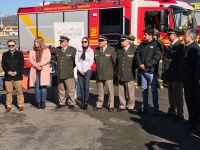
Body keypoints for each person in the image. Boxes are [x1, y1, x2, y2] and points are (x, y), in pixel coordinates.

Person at [135, 29, 161, 115]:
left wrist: (146, 65)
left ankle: (156, 109)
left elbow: (157, 57)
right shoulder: (142, 44)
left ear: (150, 35)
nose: (144, 36)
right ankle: (144, 108)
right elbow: (137, 54)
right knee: (144, 90)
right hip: (143, 72)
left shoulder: (156, 44)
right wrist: (140, 64)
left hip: (151, 72)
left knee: (154, 91)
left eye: (145, 35)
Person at [162, 30, 184, 121]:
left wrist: (167, 60)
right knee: (171, 94)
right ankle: (172, 110)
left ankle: (180, 114)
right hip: (170, 74)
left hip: (177, 75)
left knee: (178, 95)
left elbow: (180, 62)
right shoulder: (172, 45)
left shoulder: (180, 46)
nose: (168, 36)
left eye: (169, 35)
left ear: (174, 35)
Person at [94, 35, 117, 112]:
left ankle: (111, 105)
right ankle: (99, 104)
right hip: (99, 74)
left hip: (108, 74)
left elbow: (114, 62)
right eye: (99, 41)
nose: (99, 42)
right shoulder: (96, 50)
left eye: (101, 41)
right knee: (100, 91)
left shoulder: (111, 50)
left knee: (110, 91)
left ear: (105, 42)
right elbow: (95, 61)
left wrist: (109, 69)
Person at [183, 29, 200, 130]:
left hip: (192, 81)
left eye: (185, 36)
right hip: (187, 79)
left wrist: (195, 80)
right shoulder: (188, 47)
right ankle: (191, 119)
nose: (184, 37)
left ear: (191, 37)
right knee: (189, 100)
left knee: (194, 102)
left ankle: (196, 123)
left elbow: (196, 67)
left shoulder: (194, 49)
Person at [2, 39, 24, 112]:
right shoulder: (5, 54)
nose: (11, 46)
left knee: (19, 91)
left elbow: (21, 65)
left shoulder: (20, 54)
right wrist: (8, 72)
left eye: (12, 45)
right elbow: (3, 65)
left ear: (15, 46)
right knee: (9, 92)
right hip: (8, 76)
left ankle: (20, 105)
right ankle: (8, 105)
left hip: (17, 76)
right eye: (9, 45)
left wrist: (16, 72)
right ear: (7, 46)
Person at [55, 35, 77, 109]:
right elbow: (55, 60)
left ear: (67, 42)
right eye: (60, 41)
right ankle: (62, 102)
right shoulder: (57, 49)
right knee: (61, 89)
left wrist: (69, 68)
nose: (60, 43)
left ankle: (71, 102)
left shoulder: (72, 50)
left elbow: (75, 62)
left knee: (70, 89)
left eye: (62, 41)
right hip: (60, 73)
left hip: (68, 73)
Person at [29, 37, 51, 109]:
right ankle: (38, 102)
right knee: (37, 87)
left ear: (41, 42)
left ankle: (43, 102)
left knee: (44, 87)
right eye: (35, 42)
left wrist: (40, 64)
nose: (35, 43)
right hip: (35, 70)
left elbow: (48, 59)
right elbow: (31, 59)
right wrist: (36, 65)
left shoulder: (46, 50)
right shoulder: (32, 50)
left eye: (37, 42)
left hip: (43, 70)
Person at [117, 35, 137, 112]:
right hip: (121, 74)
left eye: (123, 40)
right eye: (121, 41)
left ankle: (130, 106)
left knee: (130, 92)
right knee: (121, 91)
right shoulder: (120, 50)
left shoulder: (133, 50)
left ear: (128, 41)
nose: (121, 42)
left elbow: (136, 63)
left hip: (129, 74)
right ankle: (122, 105)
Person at [75, 37, 94, 110]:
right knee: (81, 87)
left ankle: (86, 102)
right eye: (82, 42)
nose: (84, 43)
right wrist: (80, 70)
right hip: (80, 71)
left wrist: (85, 70)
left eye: (85, 41)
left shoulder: (91, 51)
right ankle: (82, 102)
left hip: (87, 70)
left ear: (88, 42)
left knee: (86, 87)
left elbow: (91, 61)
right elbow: (76, 60)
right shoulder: (78, 50)